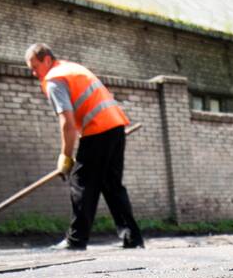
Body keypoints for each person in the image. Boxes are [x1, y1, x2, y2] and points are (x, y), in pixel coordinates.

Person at [25, 43, 144, 250]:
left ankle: (76, 240)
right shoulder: (72, 69)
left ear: (46, 59)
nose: (34, 73)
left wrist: (65, 156)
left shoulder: (55, 80)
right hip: (115, 127)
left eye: (34, 67)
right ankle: (133, 239)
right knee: (112, 185)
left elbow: (68, 124)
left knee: (81, 183)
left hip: (97, 131)